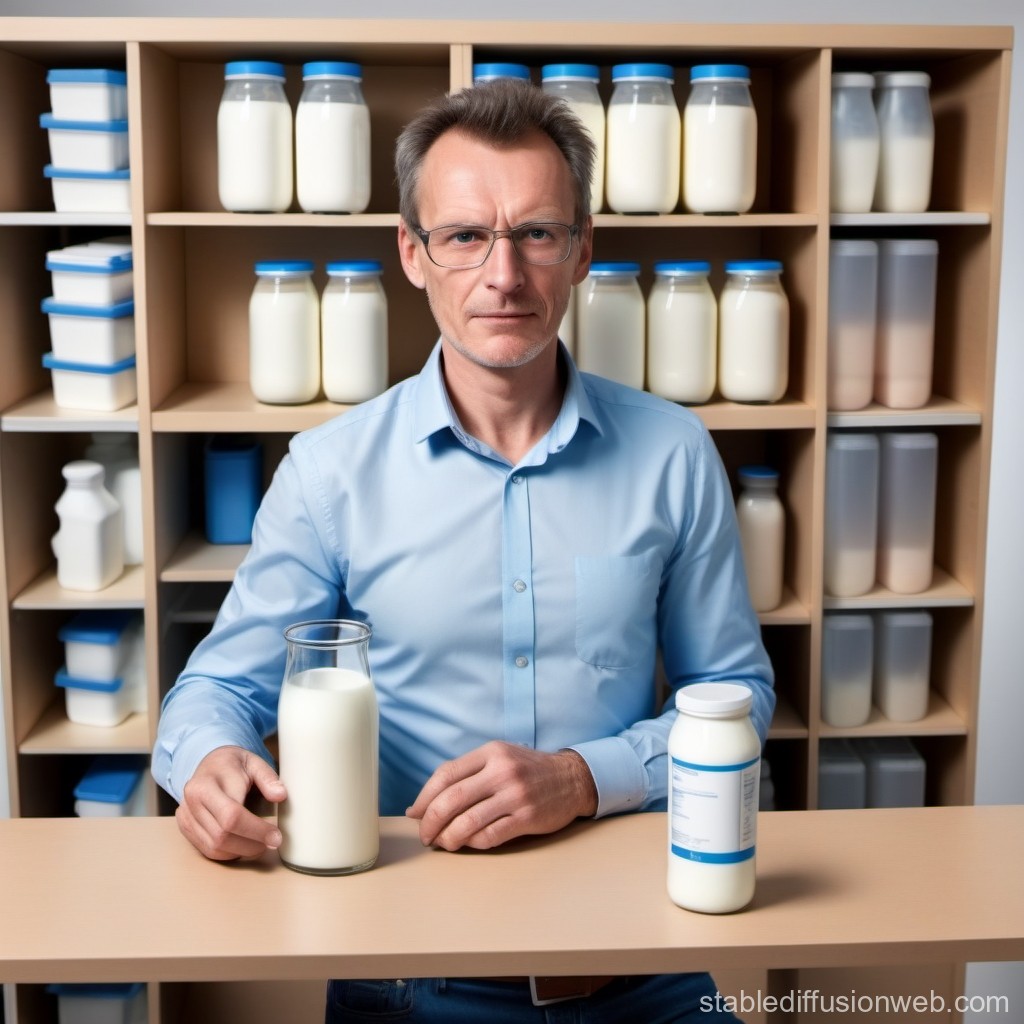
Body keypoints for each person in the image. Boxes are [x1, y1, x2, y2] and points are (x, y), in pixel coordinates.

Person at [153, 78, 774, 1023]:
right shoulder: (330, 474)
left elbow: (737, 695)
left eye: (536, 233)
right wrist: (208, 765)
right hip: (407, 977)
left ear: (582, 252)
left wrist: (579, 778)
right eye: (465, 235)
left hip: (646, 961)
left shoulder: (674, 454)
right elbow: (214, 693)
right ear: (413, 252)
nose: (503, 275)